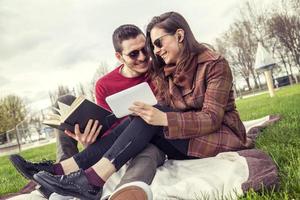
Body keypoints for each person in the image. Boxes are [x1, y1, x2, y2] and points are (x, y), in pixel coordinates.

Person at [11, 12, 252, 200]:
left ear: (179, 36)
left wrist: (164, 119)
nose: (153, 53)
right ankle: (66, 172)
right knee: (141, 115)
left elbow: (211, 118)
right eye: (152, 46)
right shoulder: (166, 68)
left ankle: (84, 177)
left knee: (150, 115)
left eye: (156, 44)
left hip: (218, 136)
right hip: (181, 138)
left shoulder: (214, 64)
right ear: (120, 57)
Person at [10, 24, 165, 200]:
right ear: (119, 57)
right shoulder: (104, 84)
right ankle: (62, 175)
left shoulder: (159, 72)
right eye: (133, 54)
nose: (143, 57)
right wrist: (87, 141)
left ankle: (60, 174)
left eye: (144, 48)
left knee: (144, 122)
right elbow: (109, 129)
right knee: (66, 102)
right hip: (114, 141)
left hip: (150, 138)